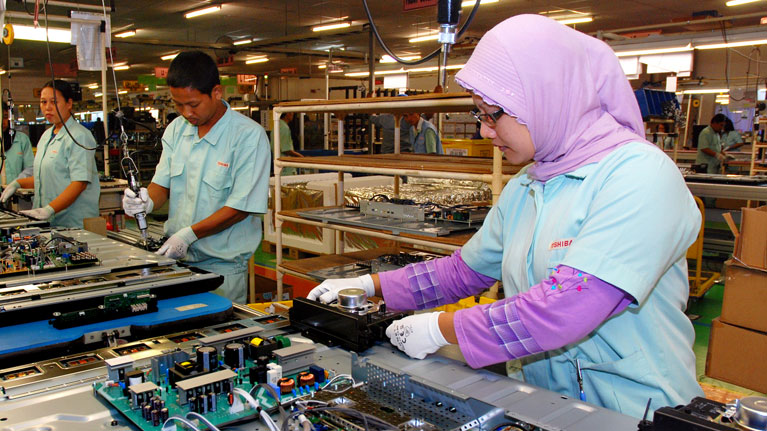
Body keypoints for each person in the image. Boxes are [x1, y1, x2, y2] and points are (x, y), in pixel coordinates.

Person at [307, 14, 703, 419]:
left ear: (545, 98)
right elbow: (462, 272)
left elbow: (568, 306)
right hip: (544, 404)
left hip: (633, 411)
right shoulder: (528, 185)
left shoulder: (639, 176)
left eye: (493, 114)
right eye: (479, 114)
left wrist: (440, 329)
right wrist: (367, 286)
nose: (484, 131)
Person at [122, 51, 270, 304]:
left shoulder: (248, 136)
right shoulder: (176, 130)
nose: (186, 113)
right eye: (178, 105)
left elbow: (240, 207)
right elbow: (162, 184)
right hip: (176, 261)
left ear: (216, 92)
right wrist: (146, 201)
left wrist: (188, 235)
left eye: (193, 104)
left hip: (221, 270)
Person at [0, 80, 100, 227]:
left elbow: (79, 183)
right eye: (43, 102)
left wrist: (49, 209)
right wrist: (18, 183)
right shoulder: (47, 136)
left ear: (69, 103)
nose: (47, 107)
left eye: (54, 102)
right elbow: (44, 177)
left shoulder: (79, 136)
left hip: (72, 222)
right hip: (48, 222)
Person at [1, 102, 34, 183]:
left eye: (5, 117)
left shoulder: (22, 140)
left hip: (18, 189)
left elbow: (30, 168)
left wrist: (16, 184)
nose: (2, 121)